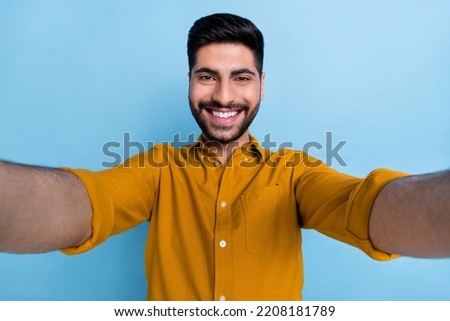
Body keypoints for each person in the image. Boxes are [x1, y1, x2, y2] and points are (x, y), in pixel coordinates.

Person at [0, 13, 449, 301]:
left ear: (261, 85)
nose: (223, 95)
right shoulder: (157, 169)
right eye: (207, 76)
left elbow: (366, 207)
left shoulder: (294, 173)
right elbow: (85, 202)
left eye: (241, 77)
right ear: (190, 81)